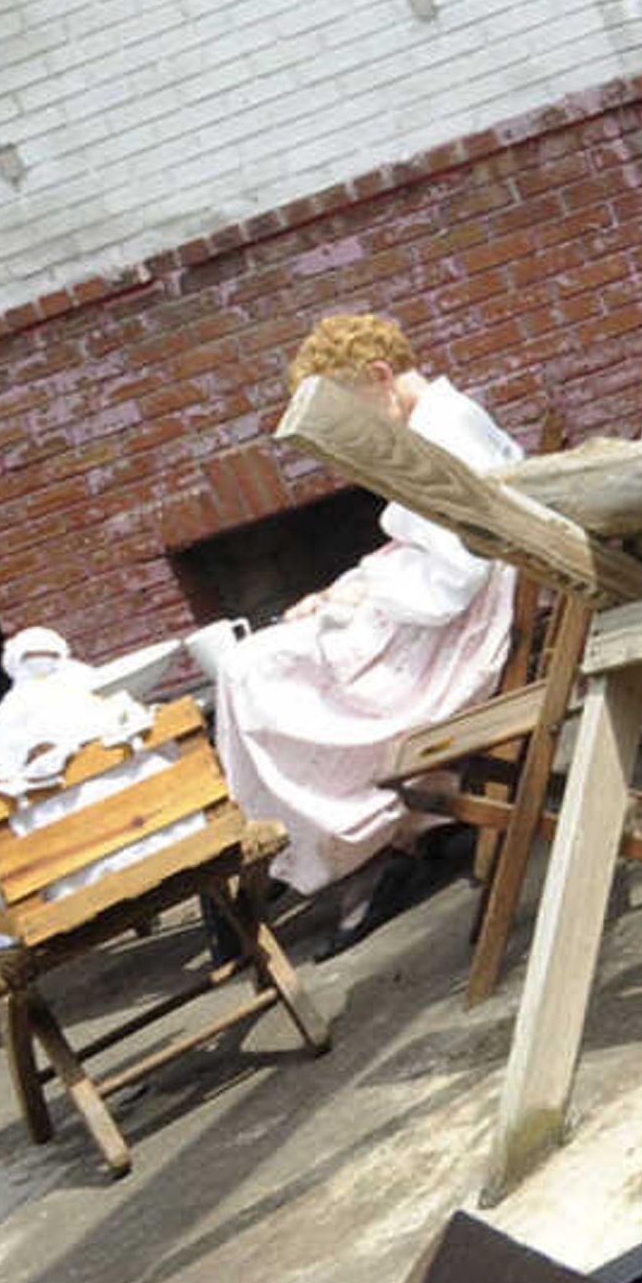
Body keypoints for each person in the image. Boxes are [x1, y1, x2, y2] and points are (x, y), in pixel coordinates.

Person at [201, 313, 524, 928]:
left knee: (251, 673)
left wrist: (364, 594)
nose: (352, 437)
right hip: (448, 605)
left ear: (380, 376)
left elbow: (455, 576)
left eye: (352, 413)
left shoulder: (442, 430)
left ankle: (360, 846)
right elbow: (440, 547)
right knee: (262, 661)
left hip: (463, 627)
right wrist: (348, 587)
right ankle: (375, 838)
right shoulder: (437, 422)